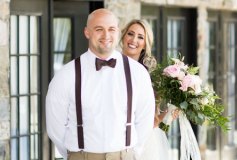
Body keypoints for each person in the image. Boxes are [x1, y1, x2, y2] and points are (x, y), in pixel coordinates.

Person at [46, 9, 155, 160]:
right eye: (99, 29)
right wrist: (77, 155)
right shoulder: (66, 75)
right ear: (87, 32)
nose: (106, 35)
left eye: (111, 29)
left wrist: (130, 154)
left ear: (117, 32)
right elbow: (55, 127)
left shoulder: (138, 73)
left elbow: (145, 120)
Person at [120, 19, 171, 160]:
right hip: (114, 138)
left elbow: (154, 119)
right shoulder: (110, 65)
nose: (134, 40)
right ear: (123, 36)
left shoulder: (151, 75)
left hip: (144, 142)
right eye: (130, 34)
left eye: (140, 37)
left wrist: (170, 111)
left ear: (145, 44)